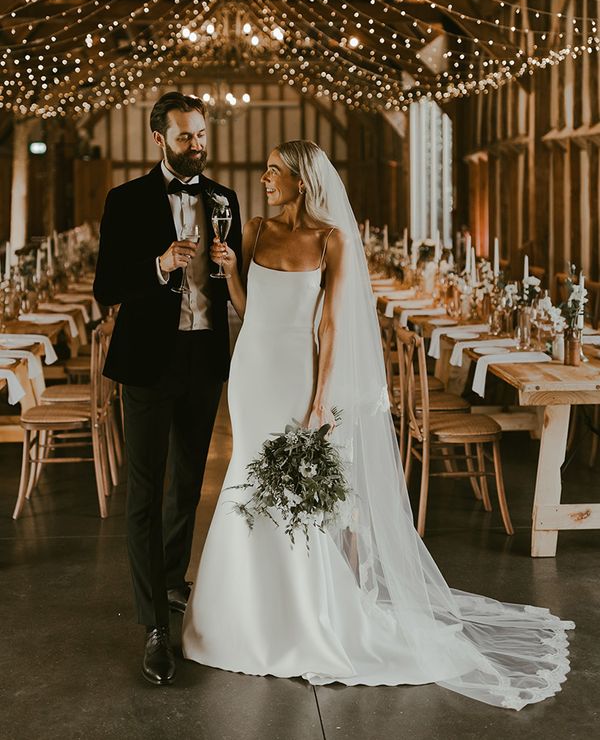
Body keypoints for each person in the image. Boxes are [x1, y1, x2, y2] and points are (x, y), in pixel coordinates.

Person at [182, 140, 573, 710]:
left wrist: (321, 398)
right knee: (246, 477)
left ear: (301, 180)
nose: (264, 179)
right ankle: (238, 614)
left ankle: (304, 613)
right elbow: (248, 310)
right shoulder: (256, 231)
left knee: (292, 492)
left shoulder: (332, 240)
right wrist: (231, 273)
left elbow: (332, 326)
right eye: (264, 170)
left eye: (274, 171)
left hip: (298, 374)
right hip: (250, 374)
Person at [93, 91, 241, 685]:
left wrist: (231, 267)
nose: (197, 145)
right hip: (148, 362)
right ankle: (154, 624)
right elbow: (107, 286)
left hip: (205, 357)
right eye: (185, 136)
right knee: (145, 491)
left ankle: (173, 581)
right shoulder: (126, 200)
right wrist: (158, 265)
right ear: (160, 138)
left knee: (187, 484)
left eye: (201, 134)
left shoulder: (224, 199)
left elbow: (239, 286)